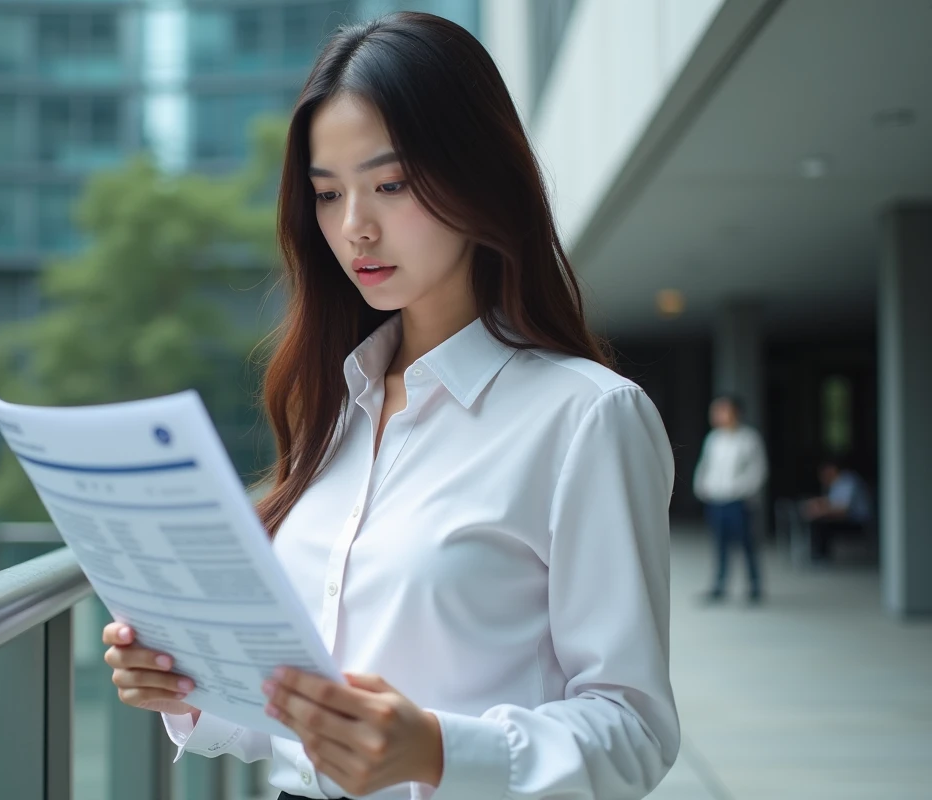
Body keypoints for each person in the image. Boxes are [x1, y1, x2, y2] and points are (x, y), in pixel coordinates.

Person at [102, 12, 678, 800]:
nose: (354, 229)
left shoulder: (586, 418)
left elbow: (634, 729)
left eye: (391, 184)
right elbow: (290, 709)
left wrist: (438, 751)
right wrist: (186, 682)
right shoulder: (333, 411)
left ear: (477, 175)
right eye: (328, 194)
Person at [693, 395, 768, 603]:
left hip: (739, 502)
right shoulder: (713, 439)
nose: (718, 415)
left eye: (722, 410)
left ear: (736, 412)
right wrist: (702, 487)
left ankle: (754, 586)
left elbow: (758, 471)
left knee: (746, 544)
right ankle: (719, 585)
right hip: (716, 500)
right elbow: (704, 466)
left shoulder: (749, 438)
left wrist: (739, 490)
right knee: (719, 545)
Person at [802, 457, 872, 563]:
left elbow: (842, 511)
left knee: (820, 523)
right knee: (818, 520)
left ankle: (821, 558)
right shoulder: (836, 483)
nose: (822, 478)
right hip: (847, 518)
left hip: (857, 521)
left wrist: (820, 512)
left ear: (832, 470)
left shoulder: (847, 481)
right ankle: (816, 555)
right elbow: (831, 503)